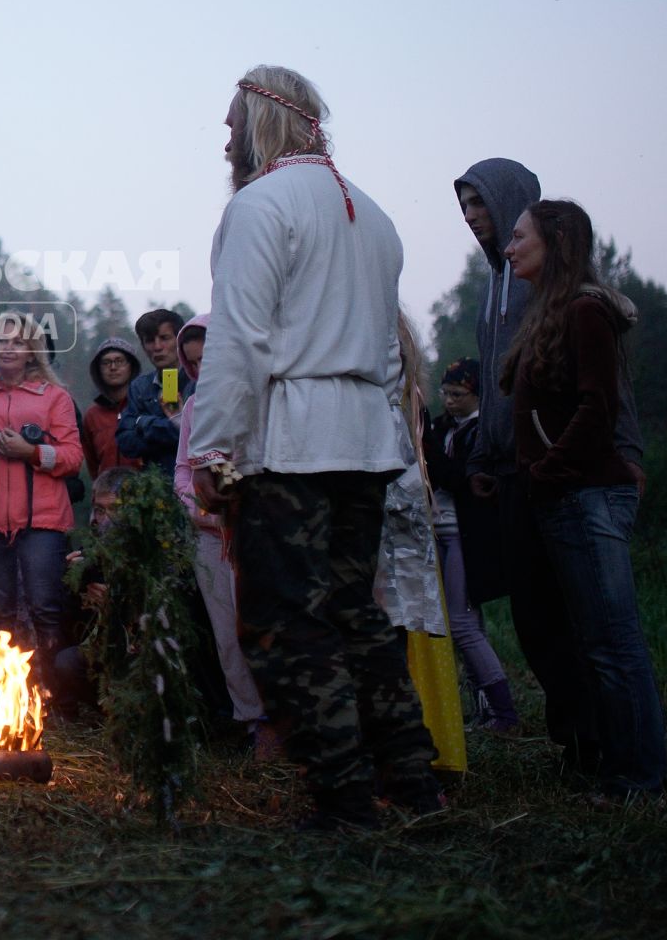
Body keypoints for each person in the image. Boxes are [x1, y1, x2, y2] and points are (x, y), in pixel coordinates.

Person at [188, 66, 440, 829]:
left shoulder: (260, 206)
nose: (224, 136)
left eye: (233, 121)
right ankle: (413, 781)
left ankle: (344, 796)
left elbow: (236, 340)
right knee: (357, 615)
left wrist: (212, 451)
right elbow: (393, 355)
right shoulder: (376, 215)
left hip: (292, 445)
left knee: (287, 622)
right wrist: (393, 445)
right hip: (365, 444)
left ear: (263, 122)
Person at [453, 158, 645, 776]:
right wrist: (484, 448)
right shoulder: (493, 287)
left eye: (480, 203)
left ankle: (606, 749)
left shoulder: (557, 288)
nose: (471, 216)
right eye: (464, 205)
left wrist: (629, 451)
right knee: (535, 618)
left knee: (585, 622)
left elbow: (604, 386)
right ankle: (577, 742)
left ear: (512, 205)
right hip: (514, 471)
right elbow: (493, 379)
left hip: (566, 474)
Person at [501, 199, 667, 798]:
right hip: (568, 496)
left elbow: (600, 406)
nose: (509, 247)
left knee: (614, 644)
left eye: (519, 237)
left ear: (557, 241)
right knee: (596, 641)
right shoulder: (548, 311)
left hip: (587, 495)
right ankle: (620, 766)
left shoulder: (585, 311)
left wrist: (549, 470)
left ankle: (639, 777)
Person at [0, 311, 83, 705]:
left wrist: (30, 453)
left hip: (42, 520)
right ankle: (3, 703)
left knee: (45, 609)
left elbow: (73, 457)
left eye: (17, 341)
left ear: (31, 351)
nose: (8, 347)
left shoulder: (55, 397)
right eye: (2, 340)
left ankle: (54, 700)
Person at [171, 313, 273, 750]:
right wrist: (200, 510)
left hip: (254, 532)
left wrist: (236, 505)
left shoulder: (261, 397)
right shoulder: (193, 407)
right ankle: (253, 721)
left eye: (205, 358)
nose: (198, 370)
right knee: (227, 635)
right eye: (190, 364)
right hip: (209, 537)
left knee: (263, 626)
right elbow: (182, 470)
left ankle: (288, 718)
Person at [421, 358, 518, 732]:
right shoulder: (443, 427)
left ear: (477, 394)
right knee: (462, 623)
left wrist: (426, 446)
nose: (449, 401)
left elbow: (457, 476)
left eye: (458, 394)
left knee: (462, 624)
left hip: (465, 533)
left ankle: (504, 710)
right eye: (445, 393)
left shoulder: (482, 432)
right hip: (439, 530)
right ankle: (484, 708)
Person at [116, 309, 186, 472]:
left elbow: (193, 436)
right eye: (149, 340)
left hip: (194, 485)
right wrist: (171, 429)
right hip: (156, 486)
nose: (157, 347)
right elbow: (125, 442)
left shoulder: (196, 382)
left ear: (179, 340)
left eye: (164, 338)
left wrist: (142, 422)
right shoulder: (140, 387)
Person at [82, 336, 145, 480]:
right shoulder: (92, 416)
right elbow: (92, 464)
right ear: (98, 370)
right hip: (106, 497)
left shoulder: (145, 407)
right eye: (106, 362)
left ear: (131, 366)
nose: (113, 367)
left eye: (119, 361)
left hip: (145, 495)